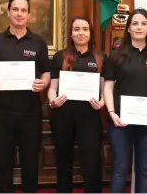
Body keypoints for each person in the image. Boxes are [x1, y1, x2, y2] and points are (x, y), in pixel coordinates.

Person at [0, 0, 50, 193]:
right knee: (2, 163)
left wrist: (43, 83)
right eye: (15, 10)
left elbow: (46, 72)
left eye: (23, 10)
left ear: (29, 15)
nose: (19, 14)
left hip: (30, 113)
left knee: (30, 163)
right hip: (2, 113)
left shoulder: (38, 42)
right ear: (8, 12)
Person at [103, 8, 147, 193]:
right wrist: (112, 113)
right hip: (120, 121)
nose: (139, 27)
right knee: (120, 169)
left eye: (144, 23)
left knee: (145, 170)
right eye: (135, 23)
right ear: (128, 28)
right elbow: (107, 87)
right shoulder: (116, 55)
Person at [48, 16, 105, 193]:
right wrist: (52, 100)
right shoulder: (60, 57)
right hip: (62, 116)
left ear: (91, 33)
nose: (81, 33)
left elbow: (105, 90)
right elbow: (52, 88)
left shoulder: (100, 58)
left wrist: (102, 103)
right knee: (63, 161)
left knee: (91, 162)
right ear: (71, 34)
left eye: (85, 29)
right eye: (77, 29)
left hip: (90, 117)